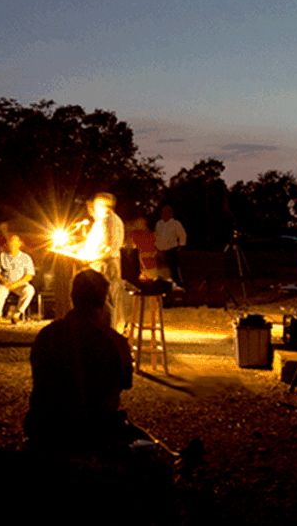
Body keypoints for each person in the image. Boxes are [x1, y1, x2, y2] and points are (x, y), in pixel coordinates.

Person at [24, 269, 203, 473]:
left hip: (41, 426)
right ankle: (172, 461)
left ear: (73, 297)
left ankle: (172, 456)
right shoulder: (112, 342)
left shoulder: (46, 335)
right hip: (88, 432)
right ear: (104, 301)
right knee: (123, 428)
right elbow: (123, 385)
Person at [83, 193, 126, 330]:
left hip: (105, 265)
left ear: (102, 205)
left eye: (95, 205)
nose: (93, 208)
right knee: (112, 299)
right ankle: (112, 329)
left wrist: (89, 258)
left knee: (106, 300)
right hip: (109, 263)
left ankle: (109, 330)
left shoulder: (107, 220)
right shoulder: (113, 220)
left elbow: (107, 247)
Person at [0, 234, 35, 324]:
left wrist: (17, 283)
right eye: (10, 241)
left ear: (19, 244)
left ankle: (17, 315)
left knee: (30, 290)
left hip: (19, 283)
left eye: (15, 241)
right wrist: (4, 281)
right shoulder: (1, 256)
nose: (12, 244)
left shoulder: (26, 258)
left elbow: (29, 275)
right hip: (5, 282)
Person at [154, 205, 186, 287]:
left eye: (165, 212)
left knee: (173, 270)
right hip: (160, 251)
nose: (163, 214)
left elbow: (182, 235)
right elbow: (156, 236)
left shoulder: (175, 224)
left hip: (171, 251)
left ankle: (177, 287)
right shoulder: (159, 223)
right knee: (161, 271)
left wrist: (179, 248)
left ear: (170, 214)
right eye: (162, 212)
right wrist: (157, 249)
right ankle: (163, 287)